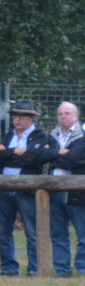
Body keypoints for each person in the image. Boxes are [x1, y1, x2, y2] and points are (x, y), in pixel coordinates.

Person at [0, 98, 55, 276]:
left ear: (30, 118)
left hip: (26, 191)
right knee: (4, 232)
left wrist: (7, 154)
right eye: (14, 116)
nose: (17, 119)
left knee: (31, 231)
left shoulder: (40, 136)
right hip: (4, 191)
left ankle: (34, 268)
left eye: (21, 116)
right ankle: (8, 268)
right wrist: (13, 151)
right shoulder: (9, 134)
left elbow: (33, 158)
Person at [47, 101, 85, 276]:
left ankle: (82, 267)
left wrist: (52, 155)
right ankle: (62, 269)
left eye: (67, 113)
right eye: (60, 114)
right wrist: (60, 153)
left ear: (76, 116)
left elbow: (74, 160)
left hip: (76, 190)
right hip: (54, 190)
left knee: (83, 234)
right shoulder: (52, 135)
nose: (63, 116)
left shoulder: (83, 135)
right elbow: (40, 156)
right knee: (58, 233)